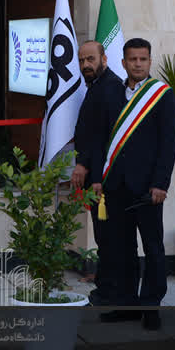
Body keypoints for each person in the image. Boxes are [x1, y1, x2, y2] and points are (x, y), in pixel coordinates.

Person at [97, 38, 175, 330]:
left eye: (143, 59)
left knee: (153, 248)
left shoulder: (161, 95)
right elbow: (103, 138)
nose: (138, 64)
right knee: (122, 249)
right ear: (123, 62)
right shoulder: (112, 94)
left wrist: (161, 184)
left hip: (147, 189)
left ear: (150, 61)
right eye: (132, 59)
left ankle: (151, 306)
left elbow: (168, 143)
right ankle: (127, 305)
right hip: (116, 186)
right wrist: (99, 178)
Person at [70, 40, 125, 306]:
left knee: (109, 237)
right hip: (97, 178)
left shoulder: (111, 88)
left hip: (104, 181)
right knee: (104, 237)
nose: (85, 65)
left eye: (90, 59)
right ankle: (104, 283)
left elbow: (105, 140)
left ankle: (109, 293)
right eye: (82, 60)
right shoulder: (96, 86)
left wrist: (91, 173)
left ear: (104, 59)